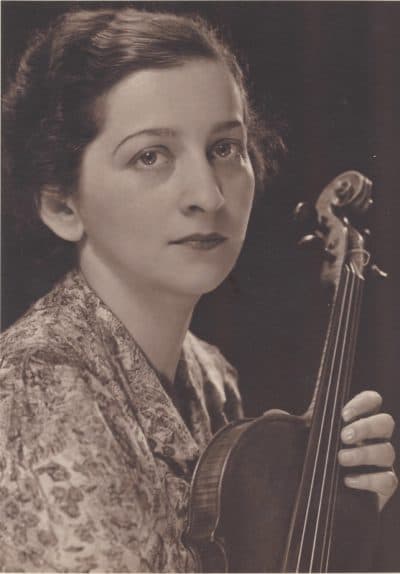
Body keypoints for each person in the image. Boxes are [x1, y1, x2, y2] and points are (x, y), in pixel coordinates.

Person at [1, 6, 397, 572]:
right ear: (63, 205)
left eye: (225, 148)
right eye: (150, 155)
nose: (209, 196)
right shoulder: (36, 385)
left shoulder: (211, 375)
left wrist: (342, 520)